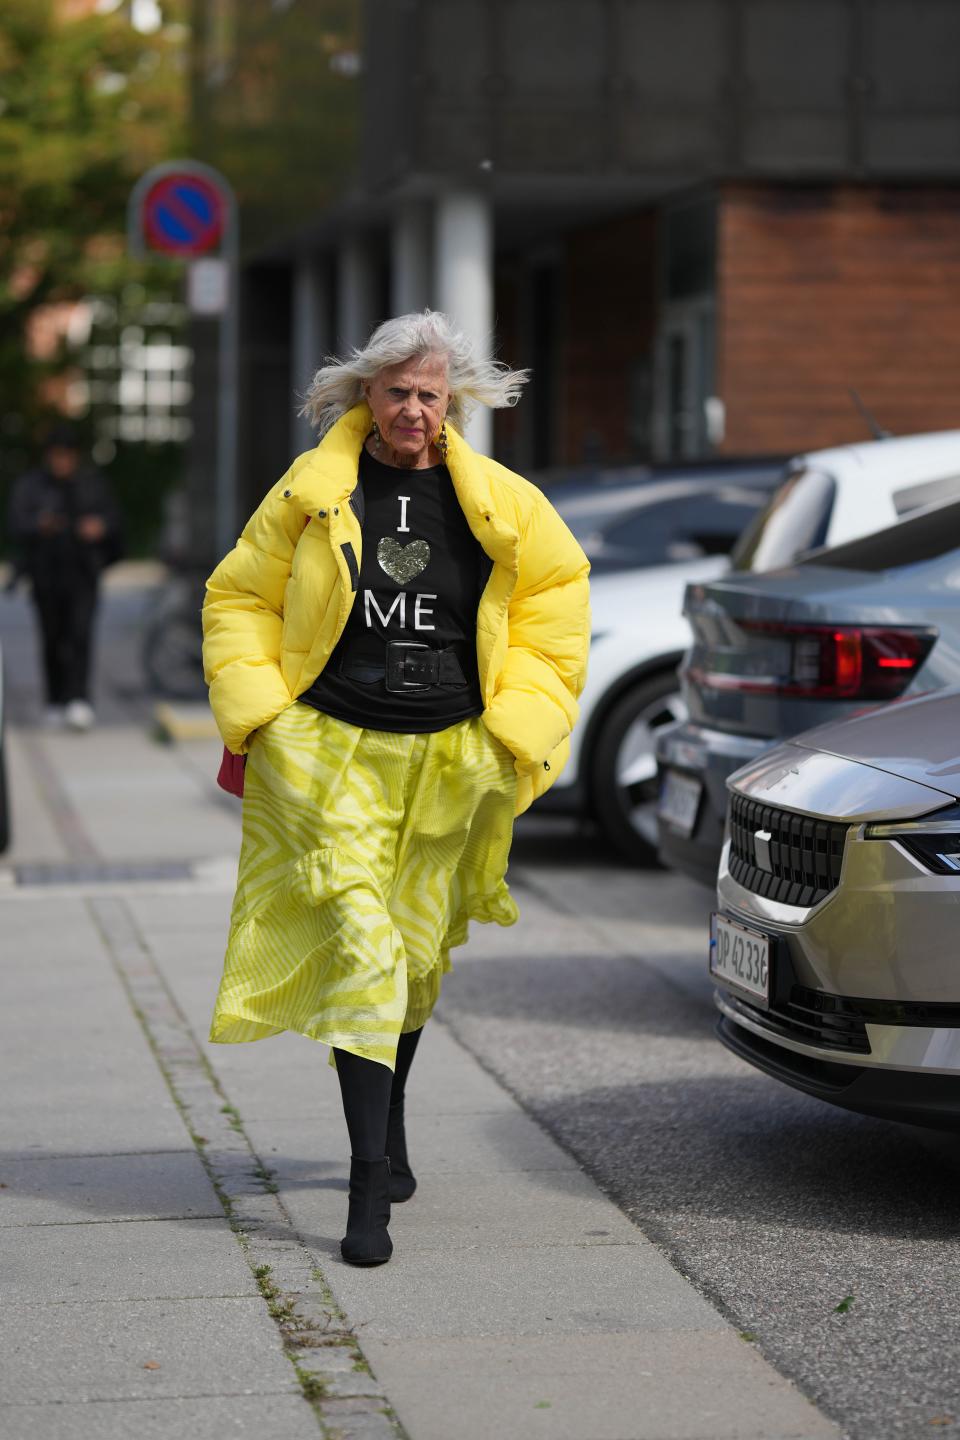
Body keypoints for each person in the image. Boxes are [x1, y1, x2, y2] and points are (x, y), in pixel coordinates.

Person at [202, 310, 590, 1266]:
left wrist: (519, 731)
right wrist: (264, 713)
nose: (412, 410)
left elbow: (555, 607)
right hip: (329, 751)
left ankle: (390, 1128)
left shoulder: (502, 501)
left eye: (429, 394)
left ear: (451, 400)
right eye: (397, 392)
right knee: (367, 950)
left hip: (450, 758)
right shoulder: (311, 492)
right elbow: (238, 597)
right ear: (365, 394)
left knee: (413, 958)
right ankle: (366, 1191)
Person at [7, 423, 122, 730]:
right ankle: (55, 700)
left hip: (82, 574)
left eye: (67, 456)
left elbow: (114, 522)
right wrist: (39, 525)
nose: (62, 462)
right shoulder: (33, 486)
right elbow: (17, 523)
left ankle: (79, 699)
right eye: (56, 456)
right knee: (52, 639)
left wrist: (99, 528)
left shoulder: (91, 484)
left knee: (80, 635)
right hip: (46, 575)